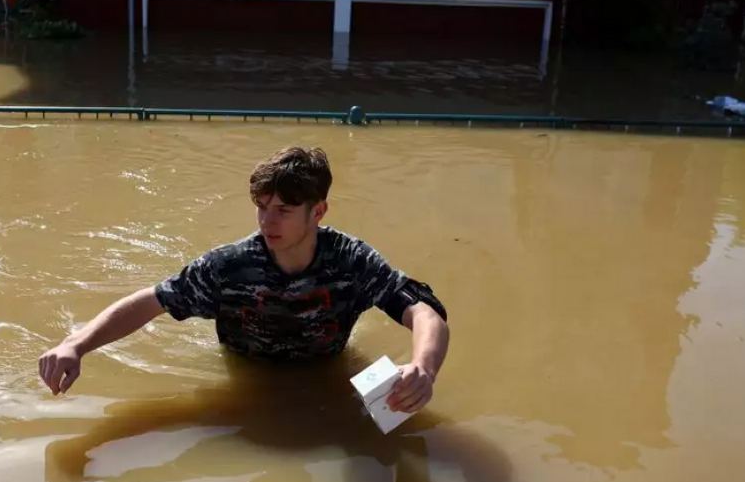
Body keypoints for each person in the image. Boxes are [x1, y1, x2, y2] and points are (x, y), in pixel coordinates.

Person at [38, 146, 450, 414]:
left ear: (318, 211)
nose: (268, 221)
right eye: (262, 207)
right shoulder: (229, 266)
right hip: (247, 379)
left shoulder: (351, 260)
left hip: (325, 374)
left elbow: (423, 311)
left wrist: (423, 370)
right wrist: (76, 345)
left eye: (284, 210)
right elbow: (152, 302)